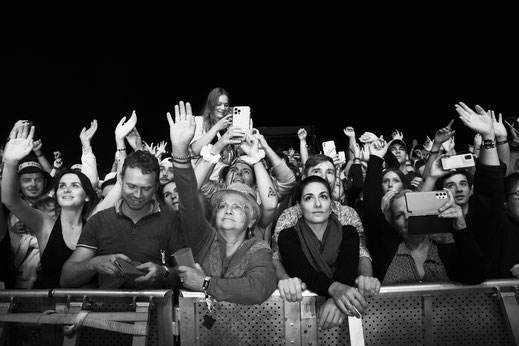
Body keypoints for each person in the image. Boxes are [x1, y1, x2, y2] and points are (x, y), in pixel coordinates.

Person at [170, 101, 277, 305]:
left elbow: (258, 288)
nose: (228, 210)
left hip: (249, 334)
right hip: (199, 334)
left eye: (238, 206)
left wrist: (205, 283)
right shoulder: (203, 237)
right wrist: (179, 151)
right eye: (222, 205)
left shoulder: (260, 248)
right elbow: (188, 197)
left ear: (252, 219)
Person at [365, 136, 486, 284]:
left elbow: (476, 276)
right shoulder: (386, 248)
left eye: (412, 211)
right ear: (392, 222)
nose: (408, 218)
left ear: (423, 212)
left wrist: (461, 228)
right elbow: (371, 206)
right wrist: (376, 158)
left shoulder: (444, 250)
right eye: (399, 215)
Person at [60, 148, 186, 289]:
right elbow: (66, 278)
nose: (138, 195)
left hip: (157, 307)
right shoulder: (99, 221)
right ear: (121, 179)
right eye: (131, 186)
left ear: (156, 186)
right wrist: (94, 263)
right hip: (108, 308)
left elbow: (189, 274)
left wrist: (164, 273)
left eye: (146, 188)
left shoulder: (172, 222)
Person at [2, 121, 98, 289]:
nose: (67, 189)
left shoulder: (95, 224)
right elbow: (10, 200)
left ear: (87, 196)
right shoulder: (45, 224)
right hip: (47, 307)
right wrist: (9, 163)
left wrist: (89, 147)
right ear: (56, 194)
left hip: (86, 308)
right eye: (62, 185)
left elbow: (119, 185)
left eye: (75, 185)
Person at [278, 175, 380, 330]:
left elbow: (348, 270)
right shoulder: (288, 235)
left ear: (331, 203)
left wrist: (336, 301)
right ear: (299, 205)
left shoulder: (349, 232)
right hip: (299, 321)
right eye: (309, 198)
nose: (317, 203)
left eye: (323, 197)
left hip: (347, 317)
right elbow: (303, 272)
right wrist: (336, 289)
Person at [455, 101, 519, 278]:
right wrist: (489, 139)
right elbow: (493, 186)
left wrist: (501, 139)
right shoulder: (499, 225)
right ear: (505, 202)